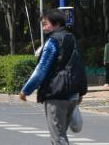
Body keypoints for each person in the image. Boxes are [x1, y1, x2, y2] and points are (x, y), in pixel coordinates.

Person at [19, 9, 88, 145]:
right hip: (72, 94)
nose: (43, 27)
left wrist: (26, 90)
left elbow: (41, 69)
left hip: (56, 94)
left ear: (56, 24)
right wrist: (80, 92)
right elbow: (79, 67)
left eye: (45, 24)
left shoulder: (53, 41)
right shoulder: (72, 38)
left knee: (58, 138)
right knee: (61, 135)